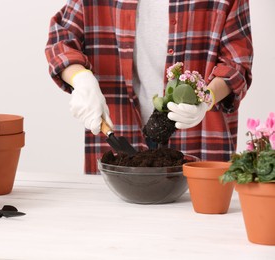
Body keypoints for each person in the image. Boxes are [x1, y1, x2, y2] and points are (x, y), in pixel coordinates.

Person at [45, 0, 253, 174]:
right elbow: (61, 39)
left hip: (199, 141)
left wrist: (206, 99)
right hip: (119, 134)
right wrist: (81, 79)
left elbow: (236, 64)